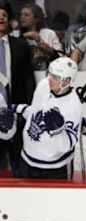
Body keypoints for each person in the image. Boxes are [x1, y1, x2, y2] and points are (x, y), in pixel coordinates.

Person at [0, 57, 80, 179]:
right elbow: (34, 112)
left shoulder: (73, 105)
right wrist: (14, 109)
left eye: (56, 77)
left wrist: (58, 131)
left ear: (67, 81)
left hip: (54, 170)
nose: (50, 79)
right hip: (26, 160)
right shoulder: (44, 85)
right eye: (50, 74)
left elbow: (68, 144)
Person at [0, 2, 36, 177]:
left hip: (16, 114)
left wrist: (28, 110)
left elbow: (29, 80)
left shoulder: (20, 46)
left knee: (19, 170)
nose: (0, 18)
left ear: (9, 21)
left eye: (4, 15)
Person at [19, 3, 62, 70]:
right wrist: (22, 37)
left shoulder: (49, 33)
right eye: (21, 14)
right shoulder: (17, 35)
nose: (22, 17)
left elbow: (60, 57)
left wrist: (39, 41)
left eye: (26, 15)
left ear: (37, 19)